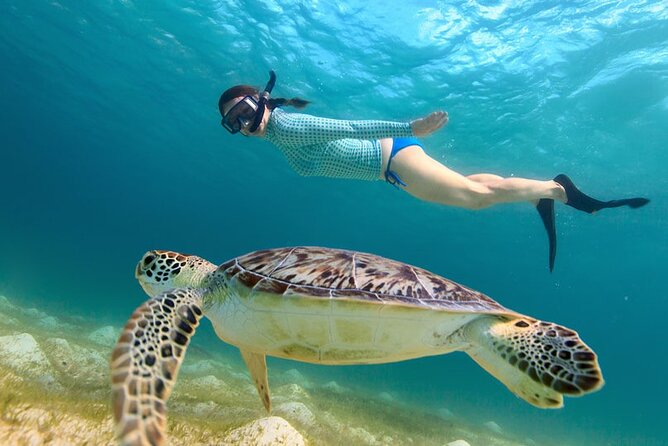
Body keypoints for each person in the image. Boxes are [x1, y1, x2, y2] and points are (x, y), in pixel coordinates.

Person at [218, 71, 649, 271]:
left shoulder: (286, 126)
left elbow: (348, 127)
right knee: (476, 188)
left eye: (240, 112)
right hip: (391, 165)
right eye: (231, 123)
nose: (241, 125)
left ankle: (557, 191)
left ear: (259, 100)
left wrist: (412, 127)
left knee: (475, 201)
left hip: (391, 158)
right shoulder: (279, 134)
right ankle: (544, 191)